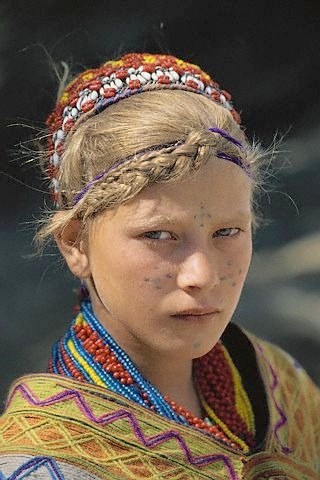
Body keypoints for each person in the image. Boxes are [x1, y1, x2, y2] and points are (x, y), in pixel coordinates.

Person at [0, 53, 319, 479]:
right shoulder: (42, 465)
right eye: (158, 235)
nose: (201, 276)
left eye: (227, 232)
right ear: (76, 243)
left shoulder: (279, 387)